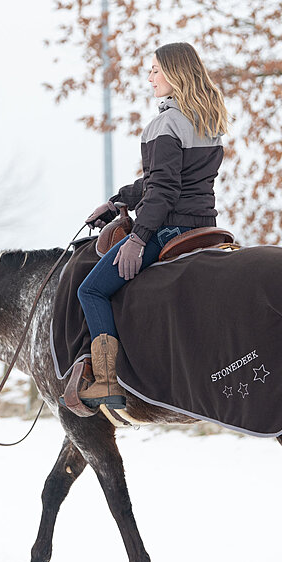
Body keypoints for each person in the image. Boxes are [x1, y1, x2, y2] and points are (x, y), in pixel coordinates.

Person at [77, 42, 229, 409]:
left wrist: (138, 239)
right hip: (204, 226)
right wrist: (118, 201)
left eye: (156, 70)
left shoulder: (165, 123)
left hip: (170, 228)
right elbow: (163, 180)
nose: (150, 77)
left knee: (91, 291)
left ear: (175, 73)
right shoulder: (207, 121)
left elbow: (162, 189)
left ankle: (107, 381)